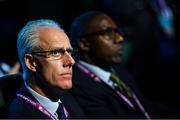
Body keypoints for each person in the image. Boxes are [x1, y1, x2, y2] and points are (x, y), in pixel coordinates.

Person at [69, 11, 180, 119]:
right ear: (84, 44)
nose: (120, 39)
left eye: (118, 32)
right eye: (108, 33)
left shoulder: (116, 69)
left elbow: (144, 107)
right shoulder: (80, 87)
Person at [3, 19, 75, 119]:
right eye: (56, 53)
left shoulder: (66, 97)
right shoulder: (21, 116)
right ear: (31, 62)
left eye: (70, 52)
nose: (71, 61)